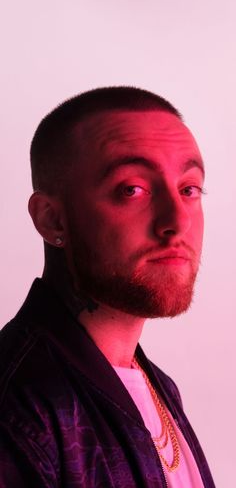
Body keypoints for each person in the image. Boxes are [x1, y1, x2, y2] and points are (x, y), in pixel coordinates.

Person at [0, 87, 215, 487]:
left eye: (189, 189)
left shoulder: (160, 388)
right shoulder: (21, 407)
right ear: (52, 220)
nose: (177, 221)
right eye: (132, 189)